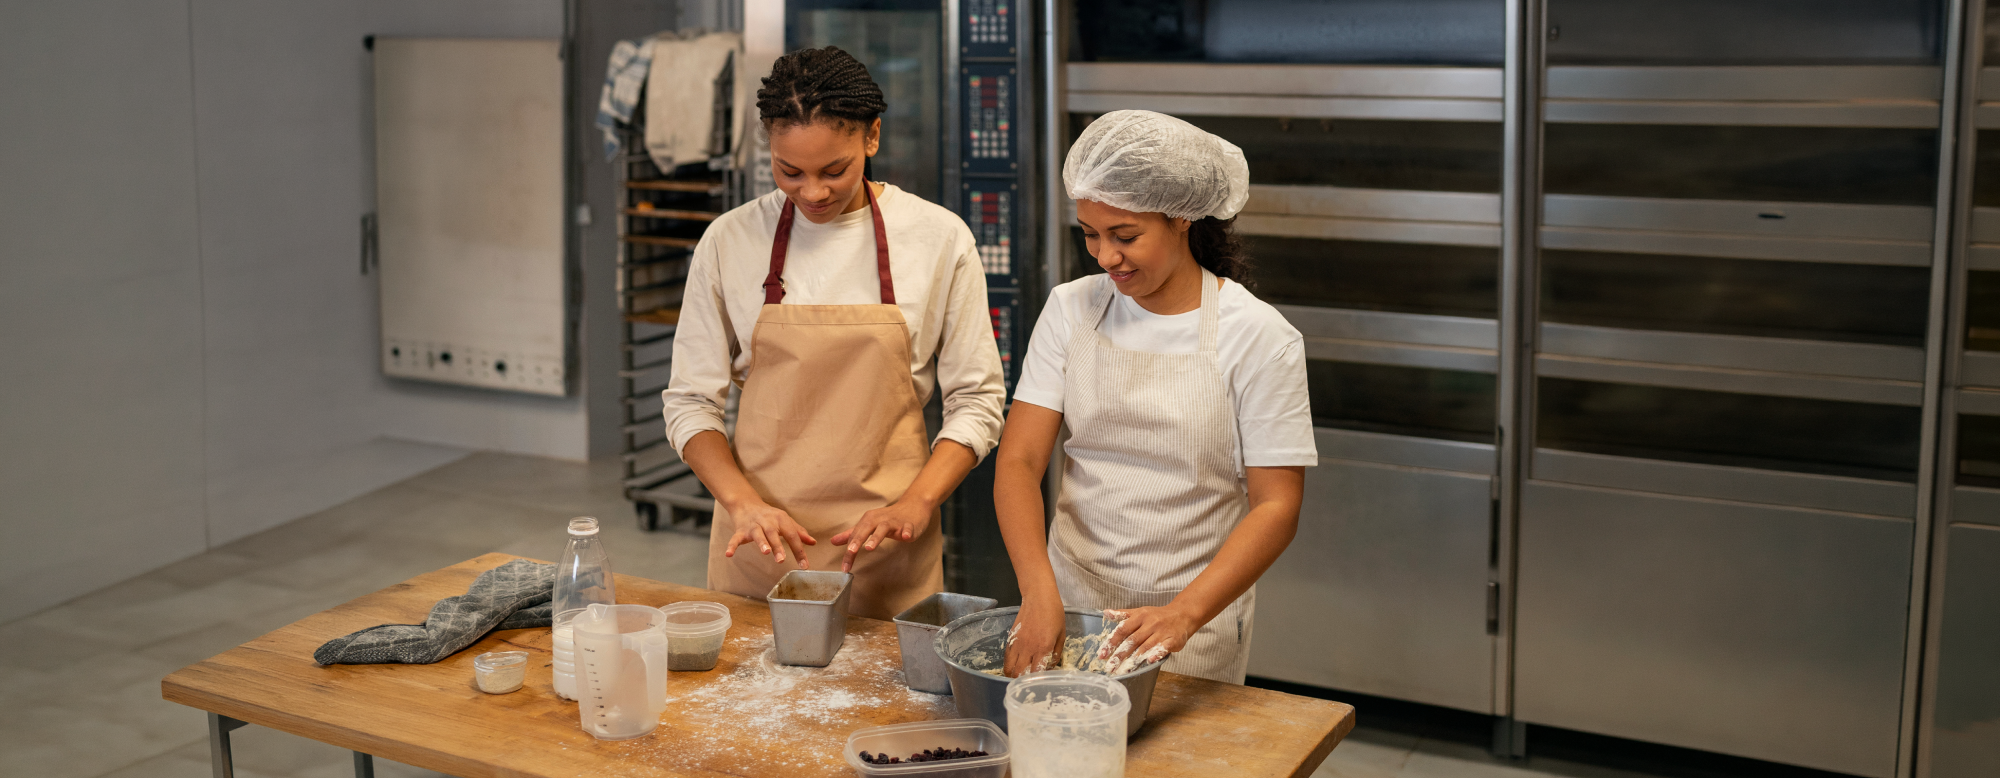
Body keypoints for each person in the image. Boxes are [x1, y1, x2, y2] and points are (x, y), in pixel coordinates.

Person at [662, 46, 1006, 620]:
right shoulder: (730, 241)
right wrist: (742, 505)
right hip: (762, 546)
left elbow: (977, 400)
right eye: (789, 171)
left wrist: (919, 503)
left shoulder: (938, 238)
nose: (813, 192)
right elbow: (690, 403)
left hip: (886, 545)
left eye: (835, 170)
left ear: (872, 138)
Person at [993, 110, 1314, 683]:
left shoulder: (1259, 336)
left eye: (1125, 236)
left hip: (1194, 616)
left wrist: (1183, 615)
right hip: (1072, 600)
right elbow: (1017, 461)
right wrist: (1039, 592)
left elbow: (1277, 506)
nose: (1104, 257)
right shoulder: (1072, 310)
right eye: (1089, 234)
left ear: (1183, 219)